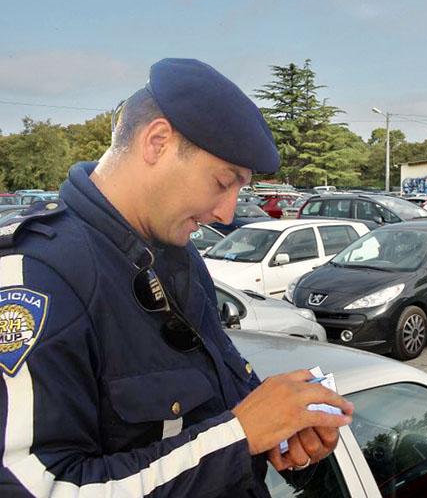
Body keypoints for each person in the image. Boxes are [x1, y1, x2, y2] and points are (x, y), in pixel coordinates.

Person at [0, 58, 353, 497]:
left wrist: (281, 430)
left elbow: (214, 405)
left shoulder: (177, 257)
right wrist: (239, 436)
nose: (227, 214)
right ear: (158, 142)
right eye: (224, 182)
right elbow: (37, 487)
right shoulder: (38, 276)